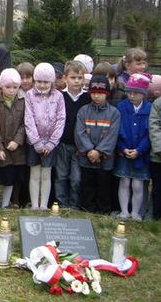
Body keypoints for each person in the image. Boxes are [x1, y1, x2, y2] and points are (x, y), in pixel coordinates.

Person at [75, 75, 121, 213]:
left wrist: (99, 151)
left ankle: (103, 209)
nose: (96, 96)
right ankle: (87, 207)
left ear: (107, 94)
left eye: (100, 93)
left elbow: (112, 135)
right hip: (86, 157)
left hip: (105, 159)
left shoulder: (114, 113)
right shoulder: (83, 111)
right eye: (93, 93)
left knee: (104, 185)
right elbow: (79, 132)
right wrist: (89, 150)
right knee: (87, 184)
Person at [24, 63, 65, 210]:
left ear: (52, 81)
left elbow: (61, 120)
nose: (42, 85)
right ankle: (34, 204)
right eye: (39, 81)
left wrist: (51, 143)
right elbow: (29, 119)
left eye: (46, 82)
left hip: (51, 143)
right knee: (34, 174)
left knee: (46, 174)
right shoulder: (29, 95)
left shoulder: (59, 96)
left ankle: (43, 205)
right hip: (34, 143)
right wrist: (37, 143)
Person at [114, 74, 152, 221]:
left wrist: (139, 150)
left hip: (140, 154)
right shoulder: (121, 107)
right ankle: (124, 211)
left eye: (136, 92)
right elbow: (117, 130)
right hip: (124, 151)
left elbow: (149, 134)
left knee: (137, 184)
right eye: (129, 92)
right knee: (124, 181)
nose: (132, 95)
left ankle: (135, 212)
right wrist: (123, 148)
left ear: (143, 93)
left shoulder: (149, 108)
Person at [54, 61, 90, 209]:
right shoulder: (59, 96)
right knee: (61, 176)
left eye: (80, 78)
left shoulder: (87, 98)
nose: (76, 81)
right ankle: (61, 203)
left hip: (79, 146)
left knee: (76, 178)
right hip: (62, 143)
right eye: (73, 77)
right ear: (65, 78)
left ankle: (74, 204)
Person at [0, 68, 26, 209]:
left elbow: (25, 124)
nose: (11, 91)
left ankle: (6, 204)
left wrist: (17, 141)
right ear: (1, 86)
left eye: (15, 87)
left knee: (11, 177)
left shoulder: (23, 101)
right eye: (8, 87)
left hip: (16, 149)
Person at [149, 91, 161, 220]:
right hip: (158, 156)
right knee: (157, 188)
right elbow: (154, 125)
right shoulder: (158, 103)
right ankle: (156, 215)